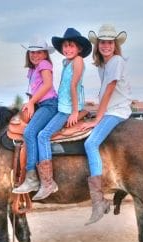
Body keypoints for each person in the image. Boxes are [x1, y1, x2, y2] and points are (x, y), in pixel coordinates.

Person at [31, 27, 92, 200]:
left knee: (43, 135)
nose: (67, 49)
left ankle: (48, 182)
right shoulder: (67, 63)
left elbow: (74, 86)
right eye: (65, 46)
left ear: (79, 48)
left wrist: (74, 112)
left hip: (67, 109)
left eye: (71, 46)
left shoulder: (78, 60)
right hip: (61, 105)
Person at [81, 24, 132, 225]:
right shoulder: (104, 65)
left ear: (115, 45)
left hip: (117, 111)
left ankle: (98, 199)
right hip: (110, 109)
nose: (106, 46)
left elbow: (110, 90)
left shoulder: (116, 61)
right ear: (98, 45)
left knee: (90, 143)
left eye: (109, 42)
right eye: (102, 42)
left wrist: (96, 118)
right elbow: (105, 93)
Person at [12, 38, 58, 194]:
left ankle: (32, 178)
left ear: (45, 54)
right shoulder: (32, 69)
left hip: (49, 104)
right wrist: (29, 103)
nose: (35, 55)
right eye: (32, 52)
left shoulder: (44, 65)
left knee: (30, 133)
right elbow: (35, 88)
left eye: (38, 52)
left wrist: (31, 102)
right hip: (39, 104)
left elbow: (47, 85)